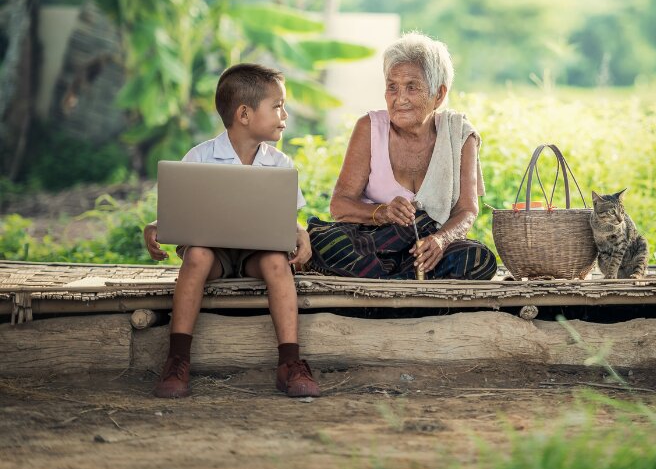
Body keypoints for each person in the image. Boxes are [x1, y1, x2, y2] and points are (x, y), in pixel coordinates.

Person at [143, 63, 320, 398]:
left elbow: (287, 216)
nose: (285, 114)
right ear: (244, 114)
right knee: (196, 254)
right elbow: (180, 211)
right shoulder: (200, 157)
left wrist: (300, 230)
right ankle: (177, 360)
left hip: (257, 253)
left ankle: (290, 362)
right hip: (215, 256)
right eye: (278, 106)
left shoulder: (280, 164)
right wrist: (155, 227)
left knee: (275, 262)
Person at [305, 32, 497, 280]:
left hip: (424, 251)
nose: (400, 98)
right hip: (372, 244)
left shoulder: (460, 135)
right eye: (392, 87)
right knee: (326, 243)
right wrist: (382, 213)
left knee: (479, 259)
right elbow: (339, 205)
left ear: (438, 95)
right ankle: (407, 291)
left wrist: (440, 240)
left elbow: (467, 211)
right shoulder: (370, 128)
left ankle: (382, 291)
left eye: (412, 87)